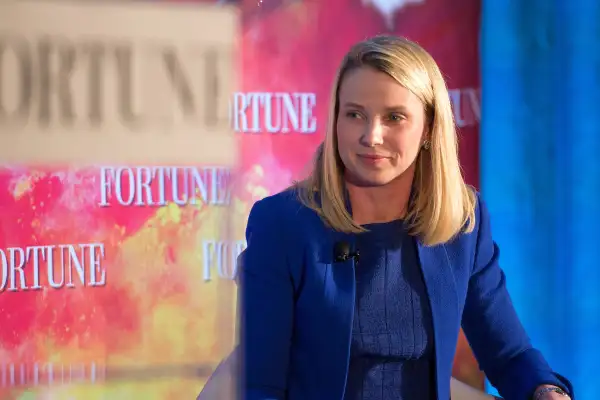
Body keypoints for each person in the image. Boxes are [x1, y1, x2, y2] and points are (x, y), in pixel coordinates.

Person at [206, 35, 574, 399]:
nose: (371, 136)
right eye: (354, 115)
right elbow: (260, 386)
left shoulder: (463, 223)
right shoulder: (281, 224)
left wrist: (546, 391)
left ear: (428, 127)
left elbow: (508, 355)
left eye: (394, 117)